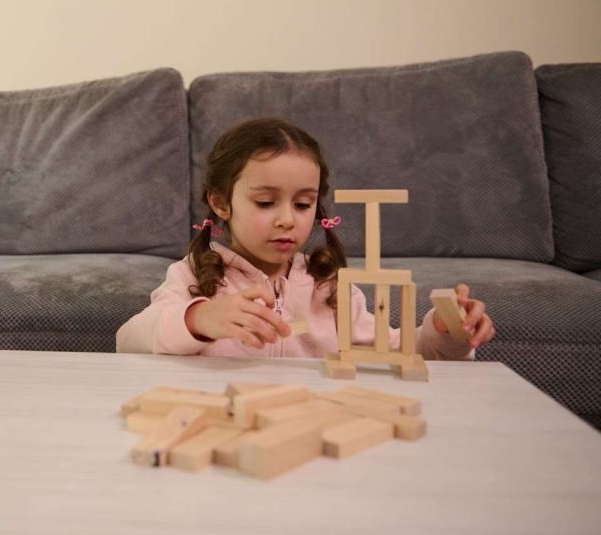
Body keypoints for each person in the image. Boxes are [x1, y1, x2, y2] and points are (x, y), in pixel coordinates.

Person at [116, 117, 495, 358]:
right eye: (265, 202)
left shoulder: (328, 289)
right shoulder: (192, 277)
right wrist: (199, 318)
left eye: (302, 204)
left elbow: (397, 351)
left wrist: (445, 333)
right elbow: (129, 340)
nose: (287, 220)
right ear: (220, 202)